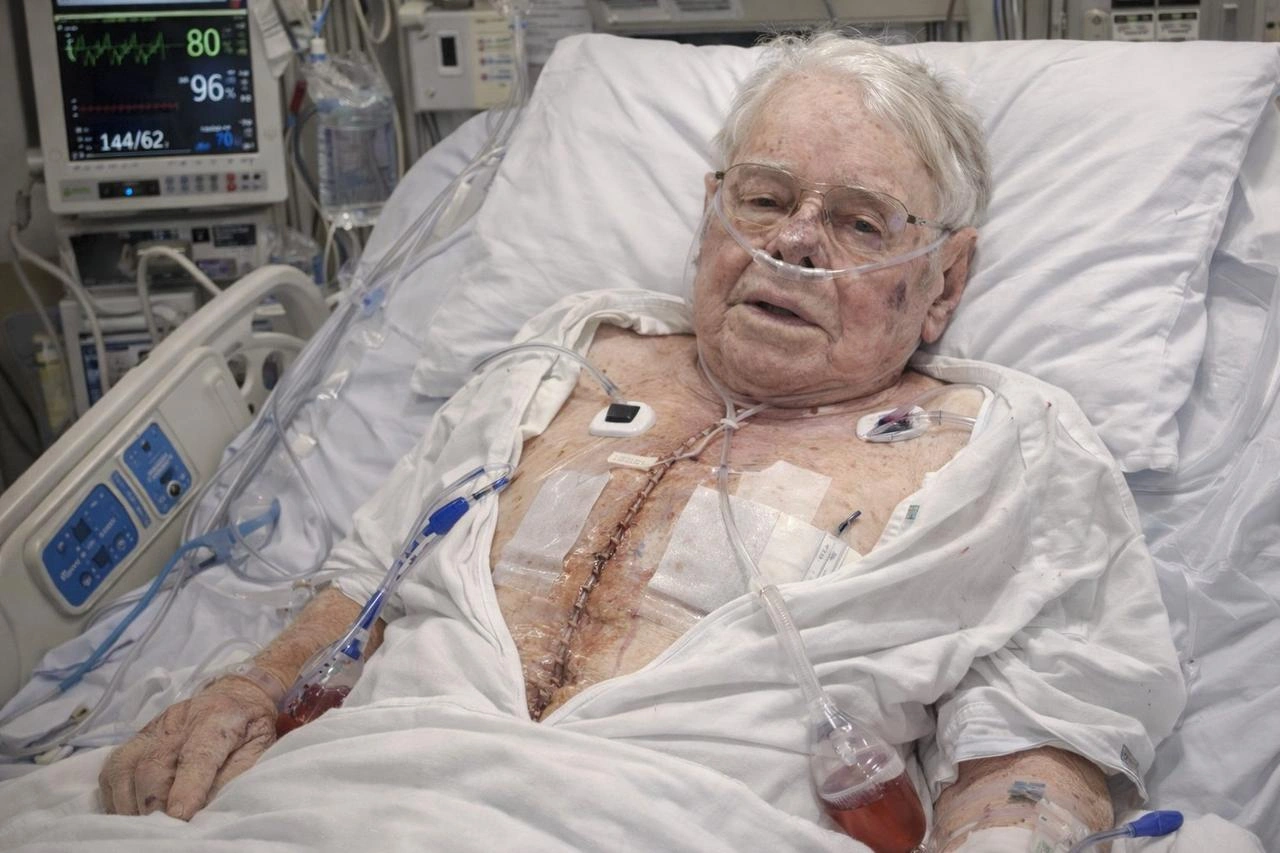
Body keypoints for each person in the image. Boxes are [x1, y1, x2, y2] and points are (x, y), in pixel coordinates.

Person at [84, 33, 1189, 852]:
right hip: (347, 801)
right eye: (764, 199)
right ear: (710, 213)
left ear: (944, 279)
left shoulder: (1004, 445)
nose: (794, 244)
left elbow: (1039, 740)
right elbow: (363, 583)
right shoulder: (560, 361)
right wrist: (245, 690)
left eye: (859, 221)